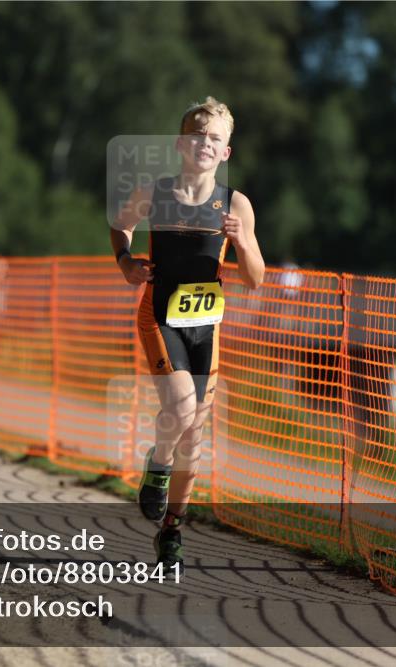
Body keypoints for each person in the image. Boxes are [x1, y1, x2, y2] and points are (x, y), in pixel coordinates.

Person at [111, 97, 265, 569]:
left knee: (194, 434)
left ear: (226, 153)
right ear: (181, 144)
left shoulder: (235, 203)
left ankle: (172, 531)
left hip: (205, 327)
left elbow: (256, 277)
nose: (205, 142)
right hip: (159, 315)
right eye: (198, 134)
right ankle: (158, 463)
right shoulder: (154, 192)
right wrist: (126, 263)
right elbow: (121, 225)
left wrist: (240, 241)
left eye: (215, 138)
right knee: (179, 407)